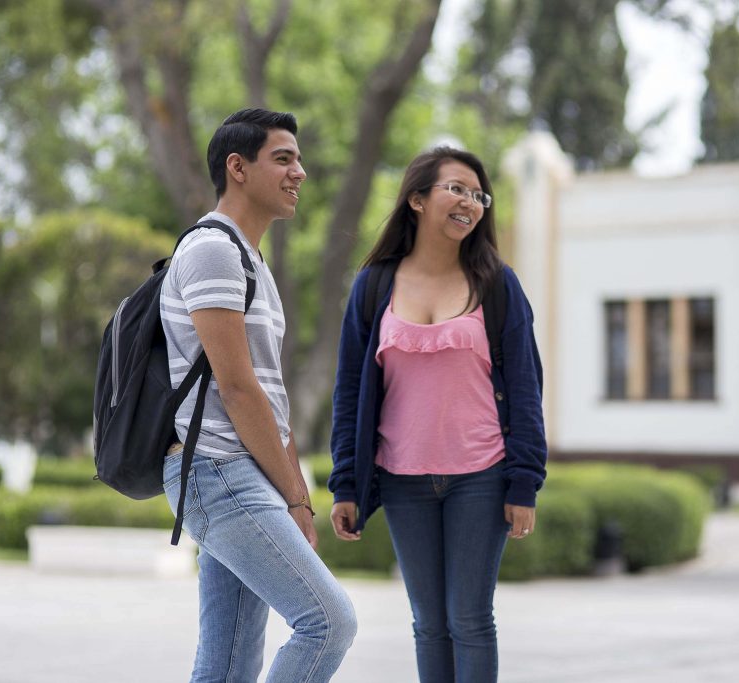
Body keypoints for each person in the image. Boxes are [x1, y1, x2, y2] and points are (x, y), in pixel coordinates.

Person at [328, 146, 548, 682]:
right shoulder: (374, 286)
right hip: (401, 479)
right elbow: (351, 388)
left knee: (469, 619)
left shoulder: (498, 284)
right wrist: (346, 484)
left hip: (483, 475)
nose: (469, 202)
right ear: (417, 199)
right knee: (428, 623)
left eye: (478, 195)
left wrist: (524, 484)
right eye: (456, 188)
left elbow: (525, 388)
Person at [161, 108, 356, 683]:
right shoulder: (213, 249)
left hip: (237, 473)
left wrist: (292, 490)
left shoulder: (249, 259)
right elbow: (238, 389)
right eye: (284, 158)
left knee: (228, 661)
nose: (300, 171)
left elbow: (269, 397)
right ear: (237, 167)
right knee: (328, 622)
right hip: (218, 472)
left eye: (299, 158)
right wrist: (296, 498)